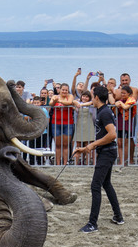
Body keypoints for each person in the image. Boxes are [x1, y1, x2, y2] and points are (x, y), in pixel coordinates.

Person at [74, 85, 123, 233]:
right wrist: (87, 148)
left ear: (96, 97)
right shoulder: (102, 110)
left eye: (93, 96)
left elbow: (112, 134)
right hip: (105, 151)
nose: (91, 99)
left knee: (96, 185)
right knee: (106, 184)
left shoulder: (105, 113)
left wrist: (92, 145)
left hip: (108, 152)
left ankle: (92, 223)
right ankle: (118, 217)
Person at [49, 83, 80, 165]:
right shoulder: (55, 96)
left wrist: (59, 101)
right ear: (60, 90)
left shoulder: (70, 96)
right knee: (58, 145)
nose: (64, 91)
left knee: (66, 145)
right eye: (63, 90)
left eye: (66, 90)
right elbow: (51, 104)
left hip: (68, 123)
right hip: (56, 123)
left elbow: (69, 102)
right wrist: (55, 100)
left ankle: (65, 163)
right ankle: (58, 163)